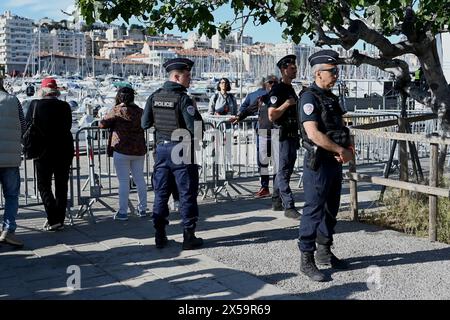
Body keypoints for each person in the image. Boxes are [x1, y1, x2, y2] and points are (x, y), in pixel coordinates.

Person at [297, 49, 353, 282]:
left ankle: (324, 252)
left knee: (331, 209)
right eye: (332, 71)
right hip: (319, 162)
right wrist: (340, 149)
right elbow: (313, 133)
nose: (336, 75)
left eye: (337, 70)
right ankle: (306, 259)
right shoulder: (309, 98)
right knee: (314, 210)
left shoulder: (331, 97)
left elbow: (340, 127)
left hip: (334, 162)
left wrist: (347, 147)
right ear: (318, 73)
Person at [142, 58, 204, 250]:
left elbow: (144, 124)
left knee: (161, 193)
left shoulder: (154, 96)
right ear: (176, 77)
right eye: (187, 75)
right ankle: (188, 236)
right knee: (186, 193)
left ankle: (159, 235)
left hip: (161, 150)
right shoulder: (184, 99)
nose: (190, 79)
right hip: (181, 150)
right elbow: (198, 130)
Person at [25, 77, 74, 231]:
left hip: (42, 152)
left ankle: (53, 219)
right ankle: (59, 218)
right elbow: (68, 126)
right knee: (61, 185)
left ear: (43, 90)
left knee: (43, 185)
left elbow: (27, 126)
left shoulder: (35, 105)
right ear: (56, 90)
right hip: (64, 150)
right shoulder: (65, 106)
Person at [99, 86, 148, 220]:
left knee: (124, 182)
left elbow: (102, 124)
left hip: (121, 150)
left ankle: (123, 212)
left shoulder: (117, 111)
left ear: (119, 97)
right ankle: (143, 209)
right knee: (140, 180)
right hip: (138, 149)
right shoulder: (140, 111)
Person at [230, 75, 278, 198]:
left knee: (278, 164)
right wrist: (239, 117)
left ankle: (278, 189)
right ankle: (265, 187)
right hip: (263, 133)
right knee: (263, 163)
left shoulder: (281, 98)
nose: (272, 84)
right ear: (265, 84)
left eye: (275, 82)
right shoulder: (261, 98)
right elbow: (249, 110)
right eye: (270, 82)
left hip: (277, 134)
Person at [268, 55, 301, 219]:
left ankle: (276, 201)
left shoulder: (290, 89)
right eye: (292, 68)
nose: (295, 70)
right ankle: (289, 205)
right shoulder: (278, 90)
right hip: (282, 135)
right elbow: (272, 115)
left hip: (291, 133)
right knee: (283, 171)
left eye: (295, 68)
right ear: (283, 70)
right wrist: (287, 104)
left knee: (284, 170)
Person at [0, 73, 26, 247]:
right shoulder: (13, 100)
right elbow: (23, 126)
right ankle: (8, 231)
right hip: (10, 158)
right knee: (11, 195)